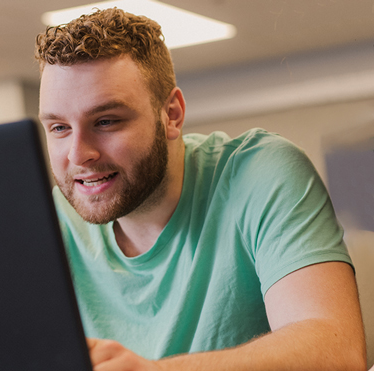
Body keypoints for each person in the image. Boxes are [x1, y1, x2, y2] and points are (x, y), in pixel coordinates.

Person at [35, 7, 366, 371]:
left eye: (107, 121)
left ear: (172, 115)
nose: (79, 155)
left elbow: (336, 350)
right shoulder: (48, 221)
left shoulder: (259, 173)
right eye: (59, 128)